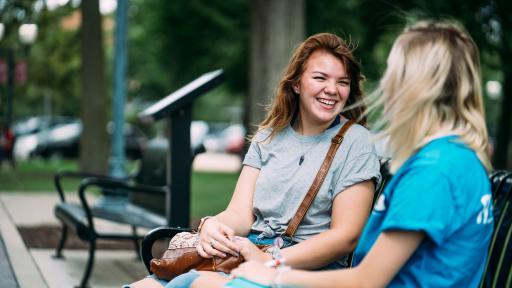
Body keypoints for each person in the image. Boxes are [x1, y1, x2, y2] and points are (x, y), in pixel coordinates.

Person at [195, 20, 495, 288]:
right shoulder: (457, 160)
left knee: (200, 285)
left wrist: (273, 271)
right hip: (279, 260)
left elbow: (365, 279)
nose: (386, 83)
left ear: (417, 86)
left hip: (309, 271)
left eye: (393, 72)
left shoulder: (433, 172)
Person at [127, 32, 381, 288]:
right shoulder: (269, 135)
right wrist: (211, 226)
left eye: (342, 82)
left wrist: (270, 259)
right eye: (320, 77)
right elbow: (240, 214)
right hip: (246, 253)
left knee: (195, 283)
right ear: (296, 83)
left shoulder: (356, 142)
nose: (332, 89)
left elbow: (345, 237)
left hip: (303, 269)